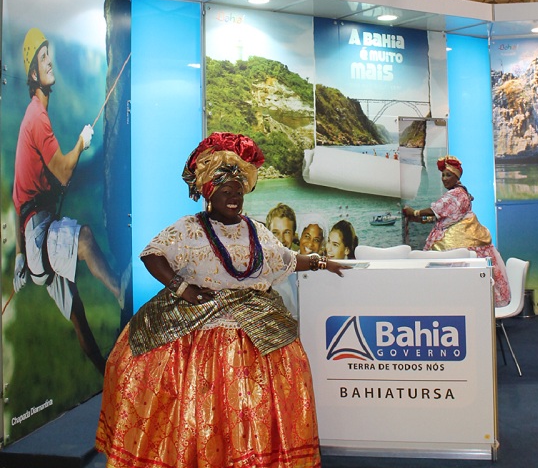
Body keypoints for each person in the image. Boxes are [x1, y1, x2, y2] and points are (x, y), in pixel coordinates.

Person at [95, 132, 350, 467]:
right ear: (209, 194)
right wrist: (181, 288)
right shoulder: (188, 229)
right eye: (226, 191)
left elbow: (284, 258)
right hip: (197, 320)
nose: (234, 198)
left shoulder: (256, 230)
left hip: (254, 322)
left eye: (238, 191)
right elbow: (152, 255)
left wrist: (320, 262)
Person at [12, 28, 128, 375]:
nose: (50, 62)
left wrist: (19, 256)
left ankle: (104, 373)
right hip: (38, 235)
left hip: (34, 238)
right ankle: (122, 293)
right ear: (34, 74)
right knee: (86, 239)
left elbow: (18, 197)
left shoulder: (34, 115)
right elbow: (63, 172)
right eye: (43, 58)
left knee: (77, 312)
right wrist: (81, 142)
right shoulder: (37, 117)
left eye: (49, 55)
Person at [403, 155, 510, 306]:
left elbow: (437, 209)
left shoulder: (455, 194)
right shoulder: (462, 191)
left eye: (448, 175)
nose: (444, 179)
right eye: (443, 175)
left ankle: (448, 303)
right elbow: (449, 216)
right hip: (468, 236)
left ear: (456, 177)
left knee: (447, 276)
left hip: (456, 241)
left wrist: (414, 212)